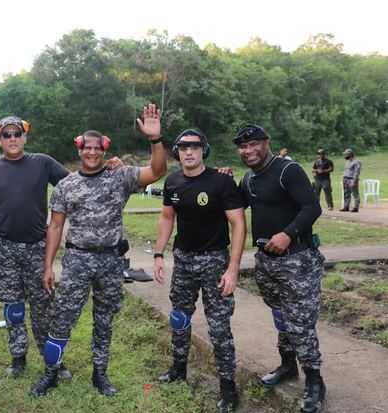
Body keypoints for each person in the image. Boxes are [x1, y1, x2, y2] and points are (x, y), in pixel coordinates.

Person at [30, 103, 167, 397]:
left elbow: (158, 170)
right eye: (86, 148)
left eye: (97, 148)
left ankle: (99, 374)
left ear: (104, 150)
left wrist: (154, 139)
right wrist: (47, 265)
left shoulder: (121, 177)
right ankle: (51, 372)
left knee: (104, 320)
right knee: (63, 318)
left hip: (110, 261)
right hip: (77, 260)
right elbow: (55, 227)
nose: (92, 153)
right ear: (79, 150)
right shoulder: (66, 186)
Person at [0, 116, 71, 379]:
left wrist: (104, 168)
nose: (12, 139)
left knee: (43, 306)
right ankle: (18, 358)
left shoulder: (42, 163)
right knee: (14, 306)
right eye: (6, 135)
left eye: (17, 134)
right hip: (2, 247)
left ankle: (52, 359)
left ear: (25, 137)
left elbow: (74, 184)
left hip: (36, 247)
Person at [152, 129, 246, 412]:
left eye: (194, 147)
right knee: (179, 318)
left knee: (219, 328)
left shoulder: (221, 182)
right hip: (183, 260)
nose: (188, 152)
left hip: (215, 262)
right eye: (183, 147)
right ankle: (178, 368)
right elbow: (167, 217)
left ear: (203, 150)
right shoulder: (173, 181)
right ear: (178, 152)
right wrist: (158, 253)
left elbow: (239, 225)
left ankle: (228, 388)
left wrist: (233, 269)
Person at [234, 124, 325, 413]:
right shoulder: (248, 179)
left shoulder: (288, 170)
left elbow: (312, 208)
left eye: (253, 145)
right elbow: (233, 205)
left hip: (298, 260)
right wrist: (221, 178)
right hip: (266, 262)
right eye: (243, 147)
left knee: (300, 322)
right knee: (281, 316)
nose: (248, 151)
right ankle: (288, 365)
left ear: (266, 142)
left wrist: (288, 233)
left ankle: (315, 381)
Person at [340, 148, 361, 212]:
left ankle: (356, 207)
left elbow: (356, 172)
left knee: (355, 194)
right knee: (346, 194)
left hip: (352, 179)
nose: (345, 156)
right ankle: (346, 207)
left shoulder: (357, 162)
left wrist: (354, 181)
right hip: (346, 179)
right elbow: (346, 170)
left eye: (346, 154)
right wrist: (343, 177)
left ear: (350, 154)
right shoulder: (348, 162)